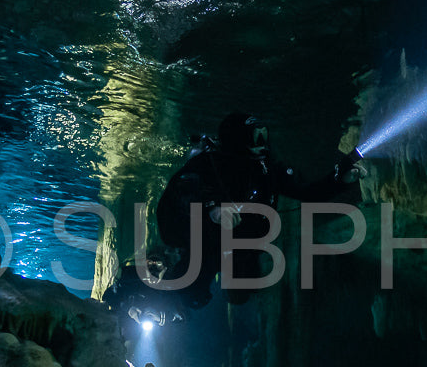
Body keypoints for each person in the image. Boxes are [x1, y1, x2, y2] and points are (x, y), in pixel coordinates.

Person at [154, 112, 362, 308]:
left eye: (264, 135)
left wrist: (340, 180)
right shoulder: (208, 166)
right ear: (238, 141)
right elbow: (176, 198)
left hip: (243, 244)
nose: (263, 144)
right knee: (191, 295)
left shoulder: (268, 171)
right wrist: (211, 210)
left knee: (242, 294)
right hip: (206, 243)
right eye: (256, 138)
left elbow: (309, 192)